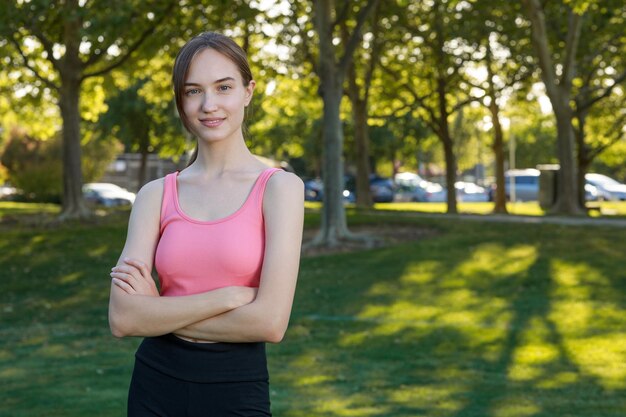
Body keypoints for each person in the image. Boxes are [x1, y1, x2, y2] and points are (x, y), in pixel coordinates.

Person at [108, 31, 304, 416]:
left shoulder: (279, 189)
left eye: (224, 87)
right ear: (181, 100)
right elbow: (123, 317)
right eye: (193, 91)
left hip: (236, 387)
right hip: (155, 384)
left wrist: (159, 312)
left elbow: (269, 323)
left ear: (248, 91)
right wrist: (225, 298)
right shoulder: (155, 195)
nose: (209, 104)